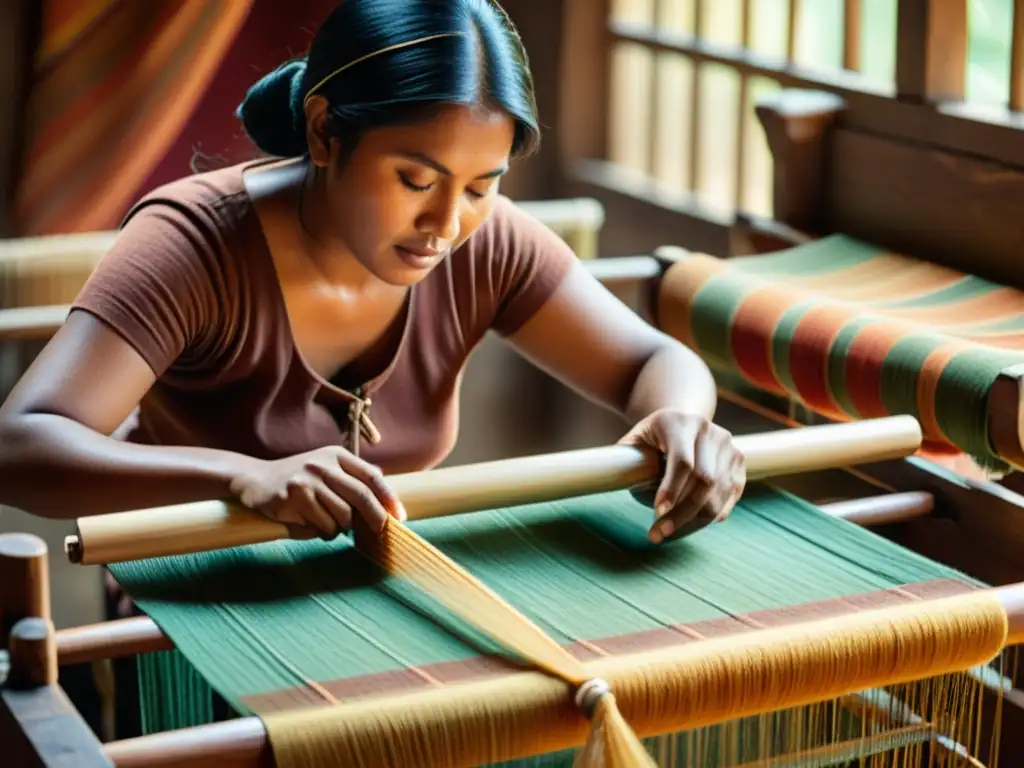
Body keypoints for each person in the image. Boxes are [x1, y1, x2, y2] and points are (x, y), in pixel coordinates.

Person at [0, 0, 745, 550]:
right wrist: (238, 478)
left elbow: (654, 360)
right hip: (196, 595)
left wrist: (682, 418)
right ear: (325, 132)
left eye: (481, 187)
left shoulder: (487, 247)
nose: (447, 224)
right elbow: (22, 447)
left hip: (381, 587)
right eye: (415, 180)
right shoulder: (195, 246)